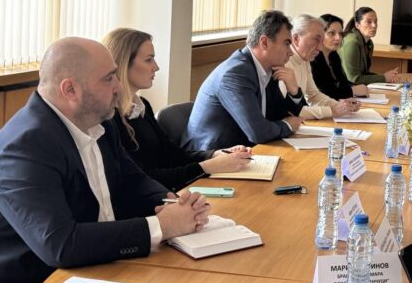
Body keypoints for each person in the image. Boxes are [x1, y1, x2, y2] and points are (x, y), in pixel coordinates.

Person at [0, 37, 210, 283]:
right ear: (70, 90)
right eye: (108, 78)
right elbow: (60, 245)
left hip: (78, 269)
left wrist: (175, 204)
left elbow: (132, 180)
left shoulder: (98, 121)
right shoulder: (23, 149)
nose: (118, 87)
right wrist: (162, 226)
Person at [103, 28, 253, 191]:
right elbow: (145, 179)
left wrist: (215, 154)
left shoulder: (142, 106)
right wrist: (209, 166)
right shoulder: (109, 118)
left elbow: (174, 155)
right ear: (124, 63)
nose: (156, 67)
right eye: (149, 60)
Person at [185, 10, 306, 150]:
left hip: (246, 150)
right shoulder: (235, 74)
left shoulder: (269, 69)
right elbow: (259, 133)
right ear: (264, 42)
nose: (290, 52)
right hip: (214, 156)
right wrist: (288, 125)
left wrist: (294, 91)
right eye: (286, 43)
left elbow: (285, 116)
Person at [282, 14, 362, 119]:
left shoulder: (304, 59)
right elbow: (287, 110)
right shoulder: (283, 62)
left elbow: (314, 96)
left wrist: (340, 105)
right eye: (316, 39)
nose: (320, 48)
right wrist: (331, 111)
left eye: (321, 41)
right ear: (296, 39)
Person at [311, 13, 370, 100]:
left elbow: (343, 82)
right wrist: (352, 91)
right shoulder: (313, 58)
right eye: (332, 33)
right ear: (320, 34)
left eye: (340, 33)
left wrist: (357, 86)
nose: (338, 38)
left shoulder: (333, 55)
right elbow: (324, 93)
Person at [338, 7, 401, 85]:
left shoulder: (369, 43)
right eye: (368, 22)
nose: (374, 25)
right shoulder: (351, 43)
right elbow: (354, 79)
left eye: (375, 21)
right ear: (357, 25)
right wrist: (384, 77)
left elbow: (364, 74)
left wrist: (387, 76)